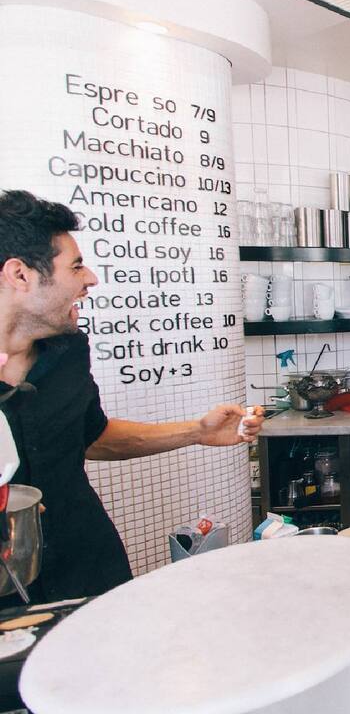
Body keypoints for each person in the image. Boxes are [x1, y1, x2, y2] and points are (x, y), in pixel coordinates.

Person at [0, 190, 264, 602]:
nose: (90, 278)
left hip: (88, 569)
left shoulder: (67, 352)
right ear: (20, 275)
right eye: (76, 266)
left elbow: (93, 436)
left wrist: (196, 431)